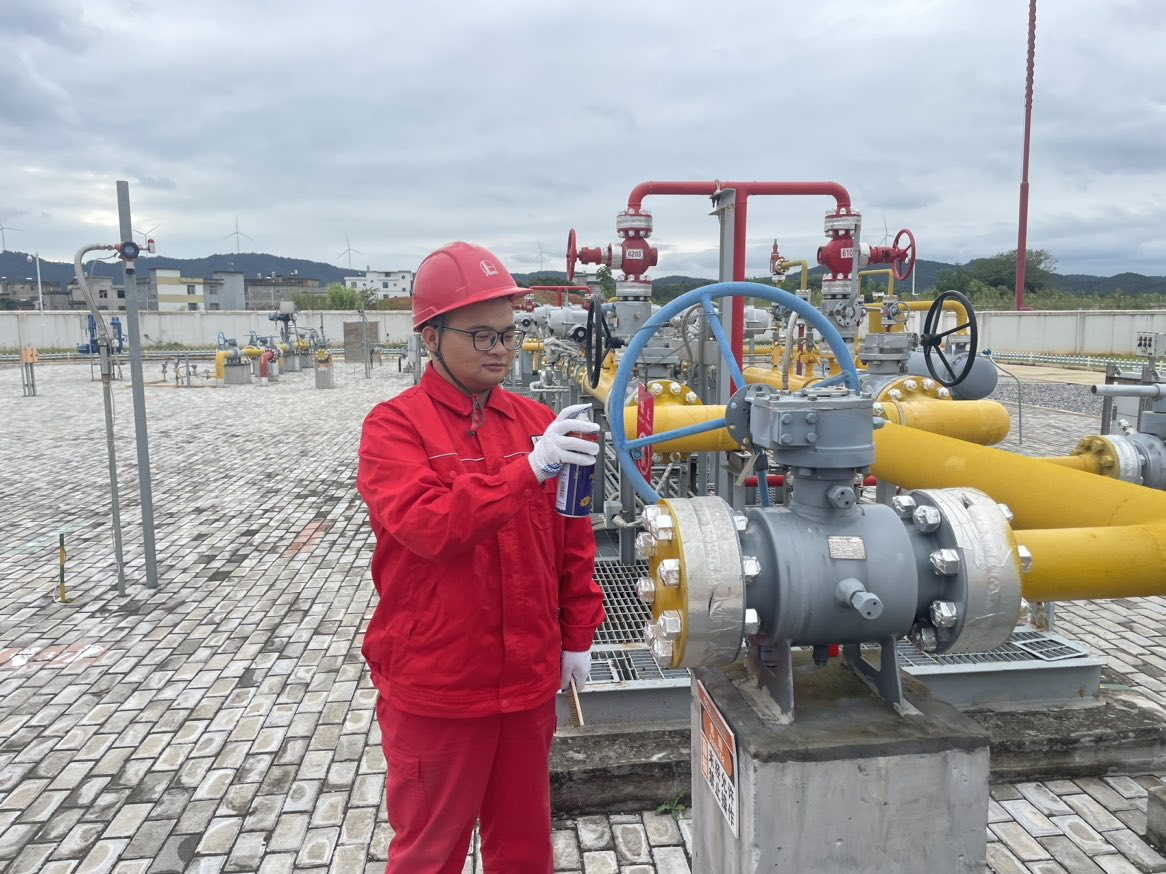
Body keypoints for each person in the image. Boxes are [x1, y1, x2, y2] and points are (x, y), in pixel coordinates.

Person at [357, 241, 606, 873]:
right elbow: (429, 526)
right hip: (438, 686)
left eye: (508, 333)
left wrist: (578, 634)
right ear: (430, 338)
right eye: (481, 335)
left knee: (523, 848)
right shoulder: (394, 428)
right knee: (429, 853)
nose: (500, 349)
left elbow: (571, 537)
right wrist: (530, 468)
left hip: (526, 683)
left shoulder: (533, 420)